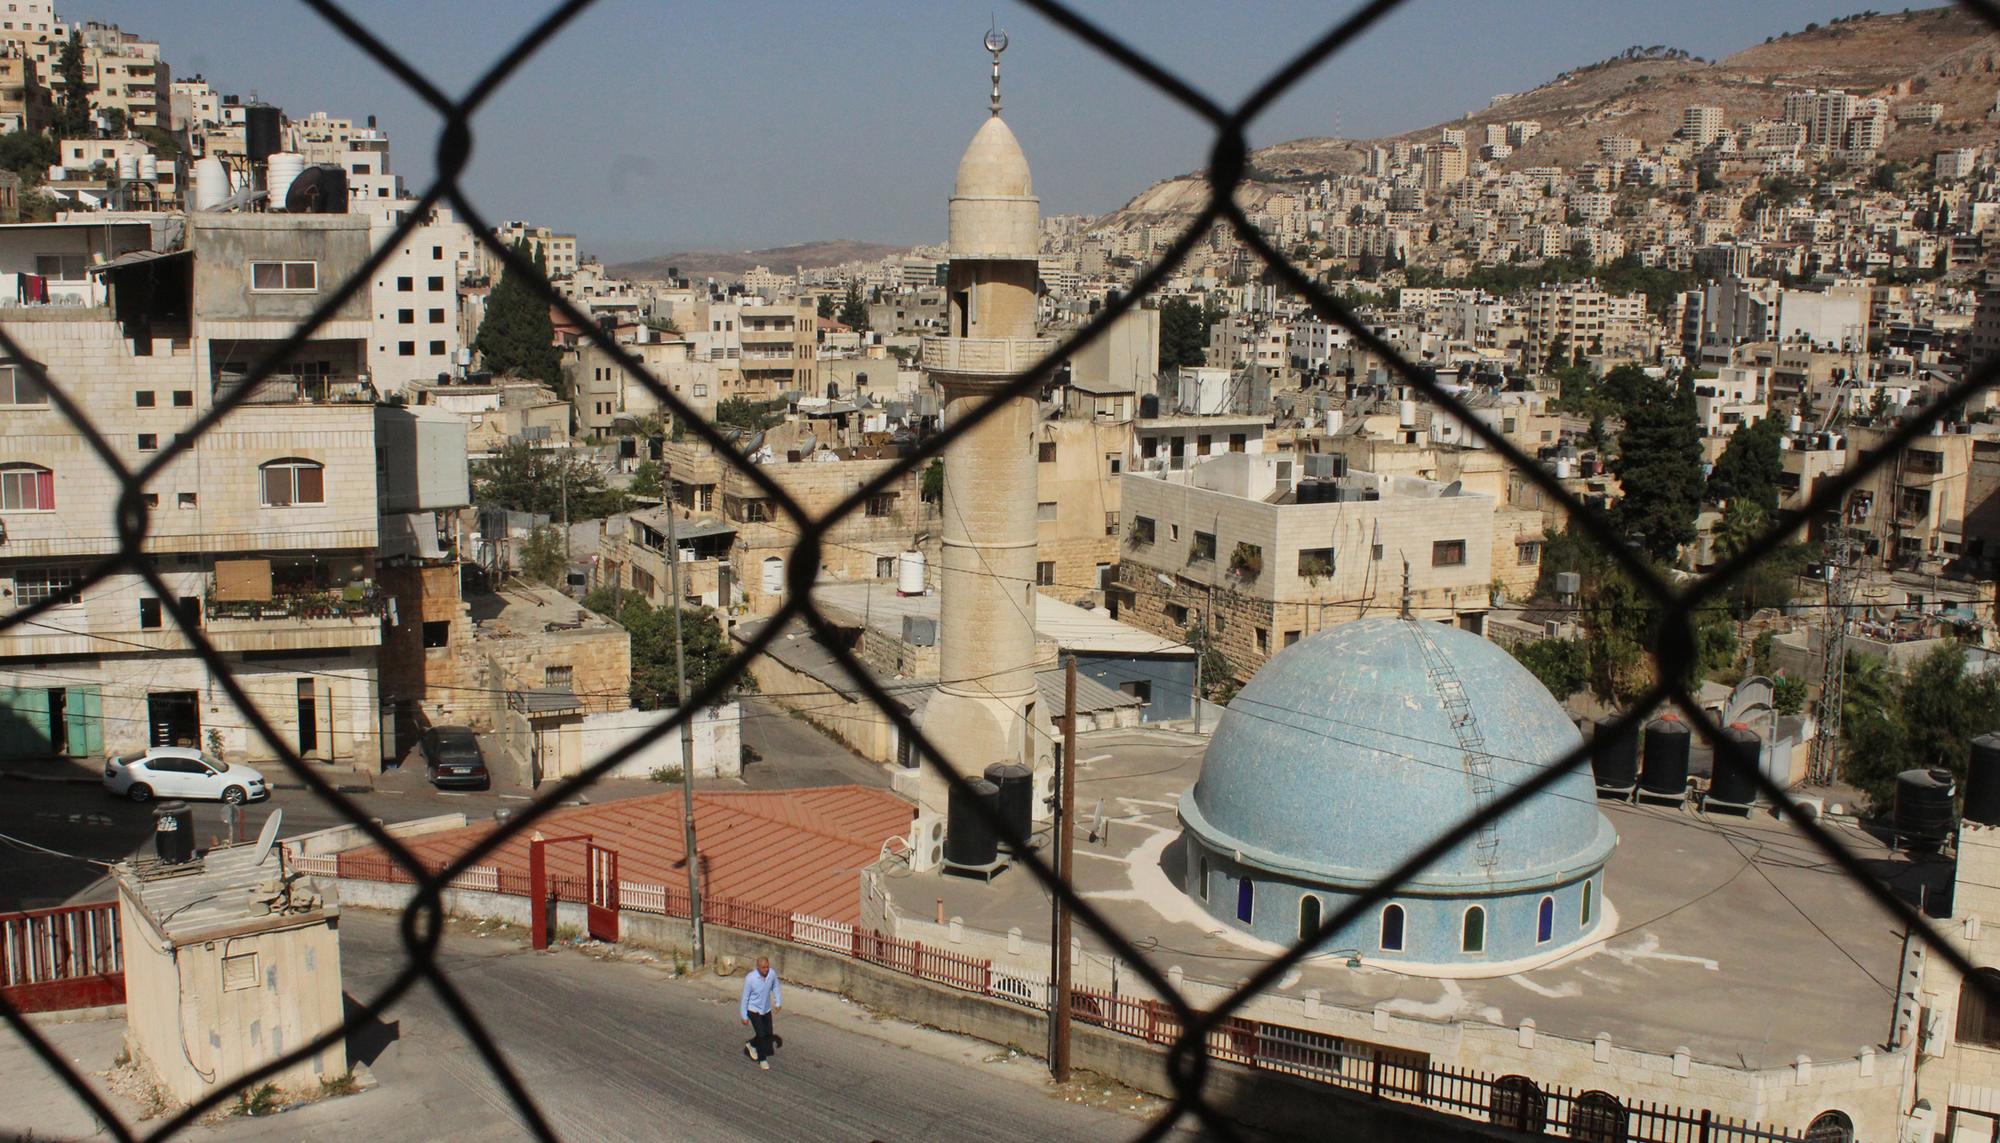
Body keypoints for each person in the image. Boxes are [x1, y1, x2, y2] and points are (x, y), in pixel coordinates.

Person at [739, 956, 782, 1070]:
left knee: (768, 1034)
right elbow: (745, 998)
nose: (766, 970)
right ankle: (762, 1059)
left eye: (767, 967)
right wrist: (744, 1015)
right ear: (757, 967)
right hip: (753, 1010)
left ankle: (751, 1044)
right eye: (763, 968)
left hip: (766, 1009)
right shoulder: (750, 978)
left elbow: (776, 986)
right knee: (762, 1035)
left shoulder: (771, 974)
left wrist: (778, 1002)